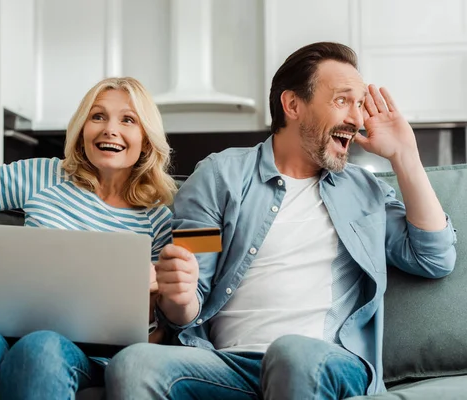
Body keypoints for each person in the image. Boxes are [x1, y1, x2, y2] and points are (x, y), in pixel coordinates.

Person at [104, 42, 457, 399]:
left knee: (292, 352)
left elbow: (434, 257)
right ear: (293, 105)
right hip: (229, 368)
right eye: (342, 101)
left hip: (324, 362)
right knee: (134, 364)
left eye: (360, 103)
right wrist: (179, 297)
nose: (357, 118)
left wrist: (405, 155)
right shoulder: (221, 178)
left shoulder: (364, 191)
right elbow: (192, 291)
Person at [0, 39, 177, 400]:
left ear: (146, 141)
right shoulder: (45, 177)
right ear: (82, 128)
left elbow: (155, 337)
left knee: (42, 347)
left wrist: (149, 299)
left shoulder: (157, 221)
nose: (110, 129)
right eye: (98, 116)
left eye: (128, 120)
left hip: (73, 356)